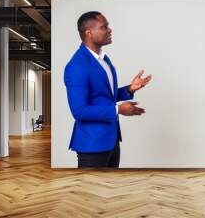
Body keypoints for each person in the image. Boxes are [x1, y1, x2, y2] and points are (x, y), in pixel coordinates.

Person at [64, 11, 152, 168]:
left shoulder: (104, 60)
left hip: (111, 141)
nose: (110, 30)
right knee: (91, 192)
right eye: (104, 27)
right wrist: (118, 109)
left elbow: (104, 95)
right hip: (92, 145)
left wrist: (129, 89)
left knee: (111, 191)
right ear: (89, 33)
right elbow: (79, 111)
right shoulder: (77, 66)